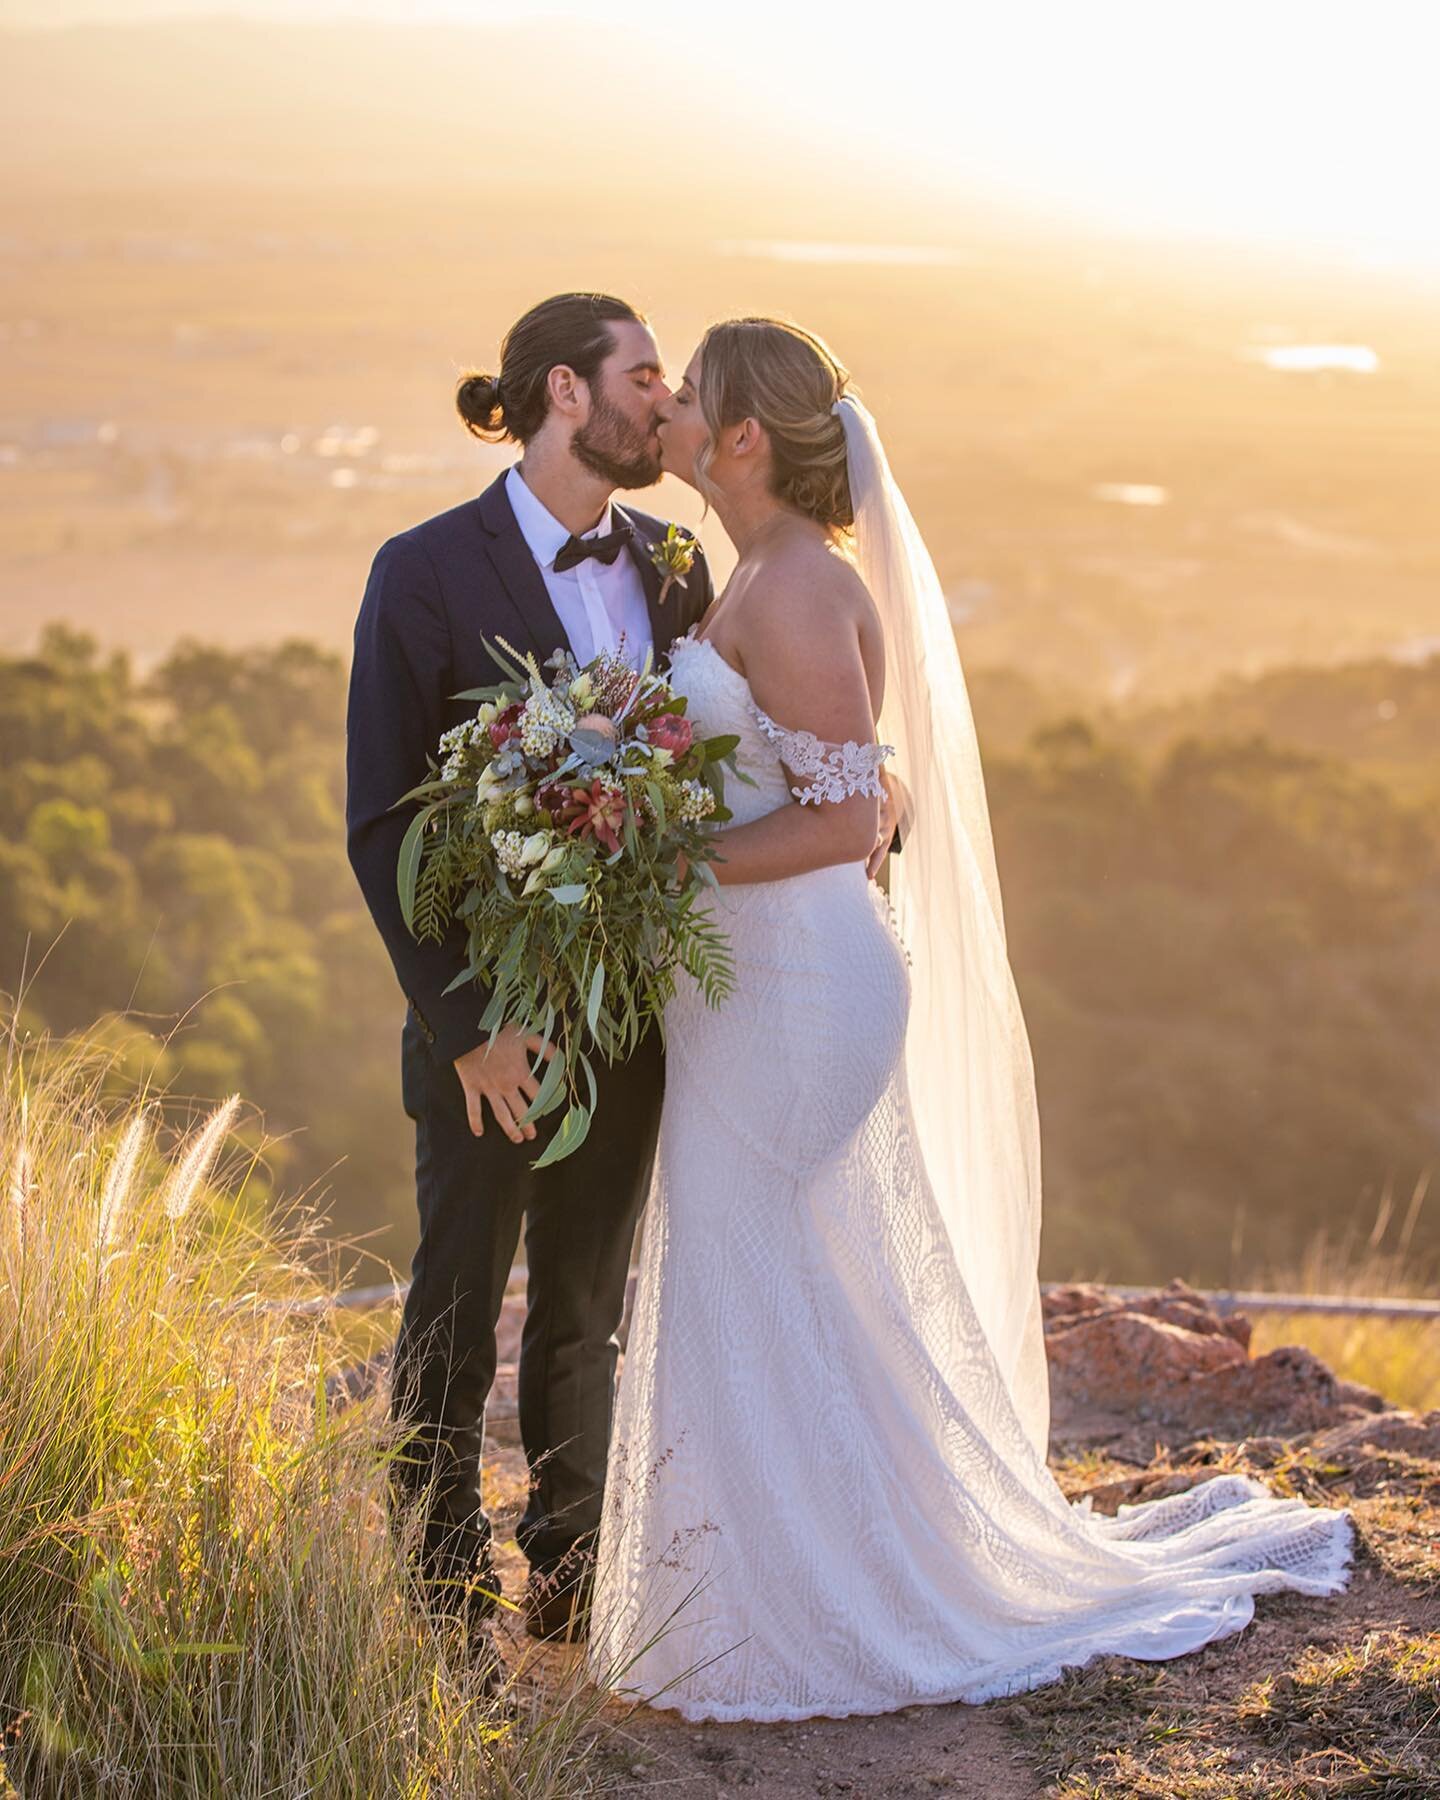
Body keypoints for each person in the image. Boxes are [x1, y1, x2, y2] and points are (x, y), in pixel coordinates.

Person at [585, 316, 1355, 1721]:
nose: (677, 413)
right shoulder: (751, 570)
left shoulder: (802, 589)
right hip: (750, 987)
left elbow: (845, 821)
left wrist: (665, 863)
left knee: (767, 1268)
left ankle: (824, 1606)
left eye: (693, 394)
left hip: (803, 990)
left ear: (745, 437)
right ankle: (773, 1592)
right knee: (786, 1282)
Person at [345, 292, 727, 1664]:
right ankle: (438, 1576)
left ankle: (571, 1571)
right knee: (456, 1292)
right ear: (566, 392)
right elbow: (383, 821)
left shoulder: (679, 559)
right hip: (488, 1024)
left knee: (586, 1303)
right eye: (642, 377)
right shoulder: (424, 569)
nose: (662, 402)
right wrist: (466, 1029)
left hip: (629, 1011)